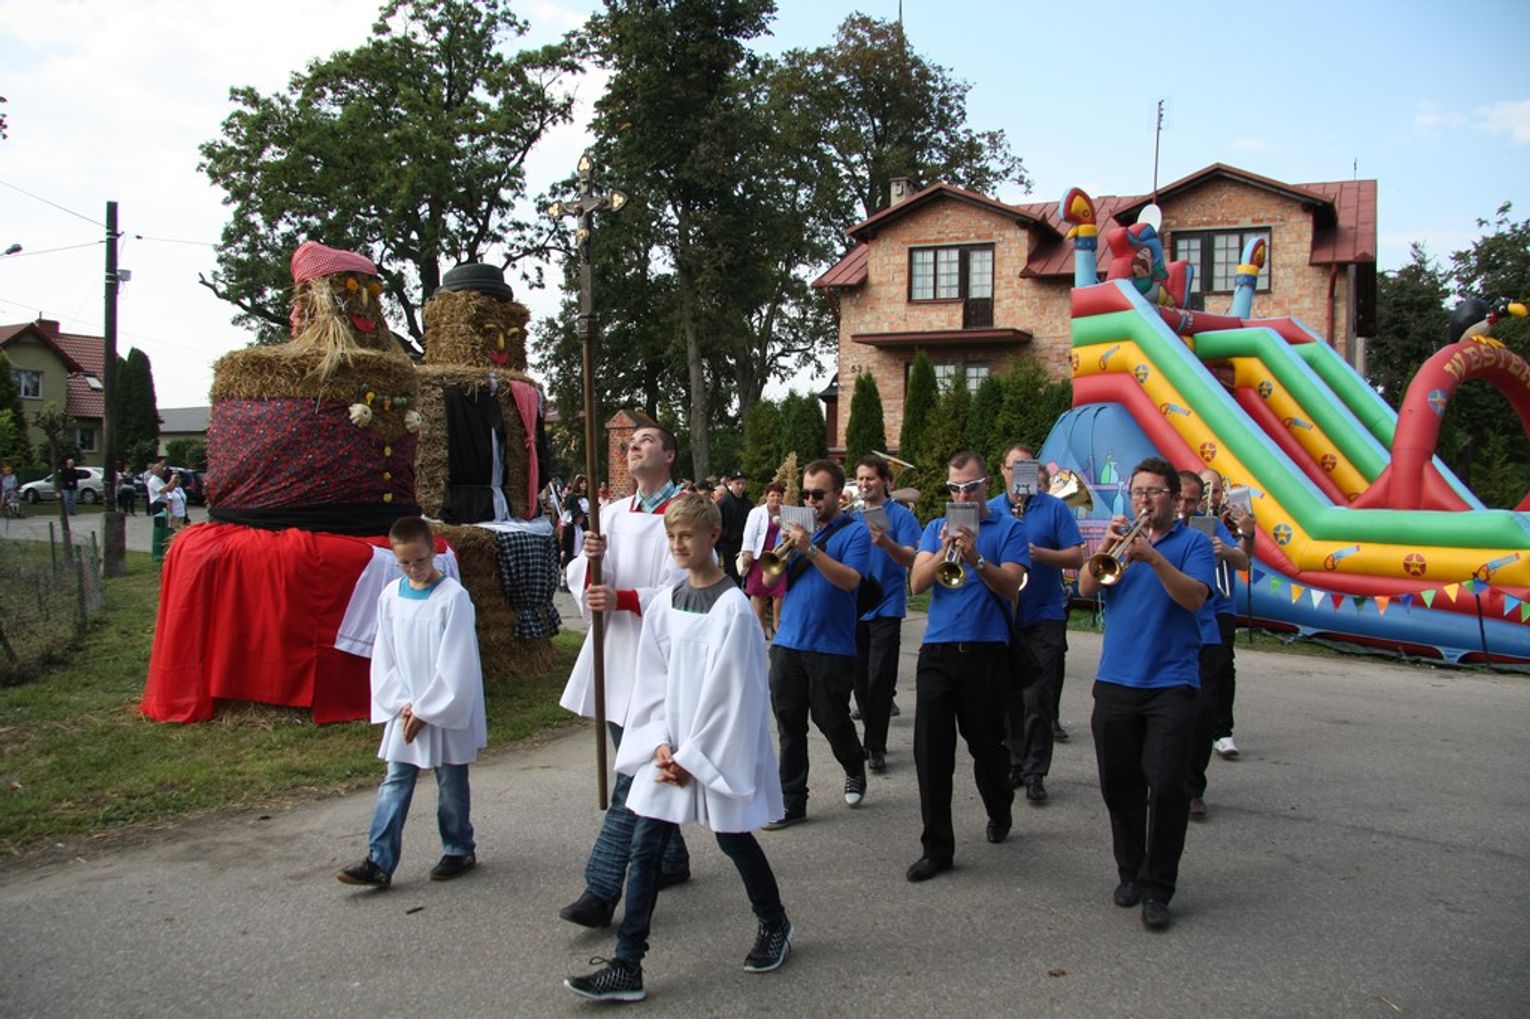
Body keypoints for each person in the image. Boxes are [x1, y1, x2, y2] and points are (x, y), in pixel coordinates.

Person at [564, 494, 793, 1002]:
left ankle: (775, 923)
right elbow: (652, 680)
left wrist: (692, 757)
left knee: (733, 839)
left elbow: (733, 695)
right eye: (671, 537)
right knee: (645, 848)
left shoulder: (733, 609)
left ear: (713, 535)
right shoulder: (666, 602)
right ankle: (628, 964)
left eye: (686, 535)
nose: (677, 545)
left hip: (711, 749)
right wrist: (658, 744)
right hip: (668, 747)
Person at [558, 424, 692, 929]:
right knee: (639, 766)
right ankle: (672, 858)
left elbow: (686, 589)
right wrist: (592, 564)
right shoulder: (609, 514)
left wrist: (626, 598)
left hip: (656, 659)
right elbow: (582, 578)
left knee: (631, 777)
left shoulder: (684, 514)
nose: (635, 445)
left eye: (648, 439)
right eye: (630, 441)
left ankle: (601, 889)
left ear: (670, 455)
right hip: (614, 653)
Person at [1078, 457, 1215, 930]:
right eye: (1137, 491)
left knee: (1169, 787)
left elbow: (1194, 598)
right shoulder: (1118, 543)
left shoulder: (1194, 544)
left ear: (1174, 499)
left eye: (1153, 492)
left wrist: (1154, 558)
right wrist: (1107, 547)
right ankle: (1130, 872)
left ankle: (1159, 887)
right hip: (1116, 680)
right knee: (1119, 785)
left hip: (1171, 684)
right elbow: (1086, 586)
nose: (1144, 500)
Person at [336, 515, 486, 888]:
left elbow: (458, 659)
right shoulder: (390, 596)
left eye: (420, 560)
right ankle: (379, 860)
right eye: (405, 563)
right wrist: (402, 702)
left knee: (451, 779)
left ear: (433, 551)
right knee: (396, 779)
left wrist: (427, 709)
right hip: (404, 706)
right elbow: (384, 654)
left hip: (442, 706)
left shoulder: (453, 598)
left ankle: (458, 848)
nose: (414, 569)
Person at [905, 450, 1028, 882]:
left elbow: (1012, 586)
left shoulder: (1010, 528)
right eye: (955, 488)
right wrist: (944, 550)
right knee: (931, 753)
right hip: (937, 651)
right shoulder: (934, 528)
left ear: (986, 485)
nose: (962, 495)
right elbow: (916, 583)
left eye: (970, 487)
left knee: (987, 747)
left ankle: (999, 806)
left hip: (985, 650)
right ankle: (936, 848)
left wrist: (976, 558)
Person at [762, 459, 870, 829]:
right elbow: (770, 579)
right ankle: (792, 802)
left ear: (839, 494)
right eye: (806, 494)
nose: (811, 501)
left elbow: (850, 580)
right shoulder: (793, 531)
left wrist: (810, 550)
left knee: (831, 720)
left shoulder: (855, 533)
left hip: (831, 646)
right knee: (789, 726)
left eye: (818, 494)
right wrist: (785, 549)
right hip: (788, 642)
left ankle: (854, 764)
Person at [989, 444, 1086, 804]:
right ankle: (1014, 762)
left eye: (1027, 467)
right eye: (1014, 467)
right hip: (1004, 615)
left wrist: (1038, 554)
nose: (1019, 473)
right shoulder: (992, 509)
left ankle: (1035, 771)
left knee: (1038, 696)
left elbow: (1077, 556)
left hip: (1044, 613)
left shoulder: (1054, 508)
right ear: (1003, 471)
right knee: (1008, 696)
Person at [1179, 471, 1252, 820]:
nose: (1184, 506)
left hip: (1207, 626)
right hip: (1165, 631)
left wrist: (1233, 544)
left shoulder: (1210, 525)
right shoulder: (1150, 527)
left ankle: (1192, 788)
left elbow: (1243, 560)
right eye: (1179, 498)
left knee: (1202, 711)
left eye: (1191, 500)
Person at [851, 455, 920, 774]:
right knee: (859, 680)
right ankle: (871, 735)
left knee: (880, 679)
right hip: (855, 609)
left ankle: (875, 745)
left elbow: (912, 559)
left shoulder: (901, 516)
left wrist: (887, 544)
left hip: (887, 607)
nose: (864, 484)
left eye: (870, 478)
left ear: (884, 482)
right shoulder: (852, 517)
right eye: (860, 479)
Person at [1199, 468, 1248, 759]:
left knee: (1222, 668)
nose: (1209, 497)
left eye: (1215, 491)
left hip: (1221, 604)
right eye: (1204, 490)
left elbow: (1243, 559)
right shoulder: (1182, 521)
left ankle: (1222, 731)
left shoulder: (1226, 521)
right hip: (1191, 604)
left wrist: (1232, 545)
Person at [740, 483, 787, 637]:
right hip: (759, 556)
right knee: (758, 592)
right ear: (767, 496)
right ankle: (759, 627)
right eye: (773, 495)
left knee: (779, 591)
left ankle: (776, 623)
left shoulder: (785, 512)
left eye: (779, 495)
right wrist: (747, 552)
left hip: (778, 556)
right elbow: (749, 533)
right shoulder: (757, 513)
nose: (776, 498)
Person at [716, 472, 753, 586]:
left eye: (743, 483)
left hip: (745, 546)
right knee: (732, 577)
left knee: (746, 576)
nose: (740, 486)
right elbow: (718, 525)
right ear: (731, 484)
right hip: (729, 546)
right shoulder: (723, 503)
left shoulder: (749, 504)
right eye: (737, 483)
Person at [560, 475, 589, 571]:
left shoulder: (586, 497)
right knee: (573, 547)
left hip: (584, 523)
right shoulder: (572, 497)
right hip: (573, 524)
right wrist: (565, 525)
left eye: (585, 482)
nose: (584, 484)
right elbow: (567, 513)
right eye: (582, 482)